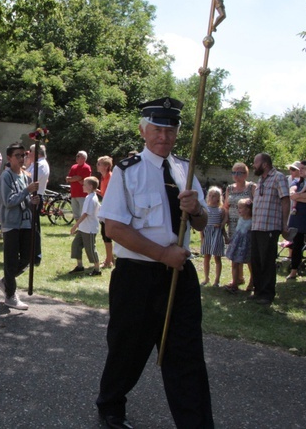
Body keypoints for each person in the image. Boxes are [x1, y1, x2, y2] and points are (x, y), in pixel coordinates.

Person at [95, 96, 213, 429]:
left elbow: (203, 223)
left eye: (170, 129)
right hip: (137, 276)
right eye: (157, 130)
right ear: (143, 130)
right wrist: (162, 253)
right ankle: (111, 406)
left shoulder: (184, 171)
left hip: (179, 275)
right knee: (127, 348)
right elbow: (114, 227)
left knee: (187, 355)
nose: (164, 137)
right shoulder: (126, 171)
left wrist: (197, 210)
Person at [0, 142, 39, 310]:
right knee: (11, 260)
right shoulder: (5, 177)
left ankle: (6, 281)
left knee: (28, 256)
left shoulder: (26, 176)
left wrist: (33, 201)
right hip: (11, 223)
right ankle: (10, 294)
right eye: (18, 156)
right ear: (9, 158)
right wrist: (26, 192)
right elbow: (8, 201)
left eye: (23, 155)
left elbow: (25, 201)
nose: (21, 159)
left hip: (26, 222)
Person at [249, 153, 290, 305]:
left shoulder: (279, 177)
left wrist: (284, 224)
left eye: (255, 162)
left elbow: (285, 200)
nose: (254, 165)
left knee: (267, 261)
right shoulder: (261, 179)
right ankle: (258, 290)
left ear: (265, 164)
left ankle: (267, 294)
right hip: (257, 226)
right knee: (256, 260)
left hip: (270, 227)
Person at [223, 162, 256, 290]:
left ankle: (253, 281)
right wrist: (224, 222)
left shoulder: (252, 187)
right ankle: (237, 278)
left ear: (246, 174)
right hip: (233, 225)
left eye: (239, 172)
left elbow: (256, 205)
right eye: (233, 172)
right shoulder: (229, 188)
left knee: (248, 253)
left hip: (248, 225)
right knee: (235, 251)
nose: (236, 175)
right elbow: (226, 206)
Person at [68, 176, 101, 276]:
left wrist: (75, 226)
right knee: (76, 245)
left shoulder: (92, 199)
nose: (82, 186)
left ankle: (97, 270)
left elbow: (85, 214)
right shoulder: (88, 197)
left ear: (90, 186)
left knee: (90, 249)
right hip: (83, 228)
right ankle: (80, 266)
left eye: (85, 184)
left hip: (89, 229)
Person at [225, 198, 253, 293]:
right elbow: (238, 231)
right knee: (234, 263)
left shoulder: (252, 221)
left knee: (250, 263)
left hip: (247, 246)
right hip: (237, 245)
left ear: (248, 209)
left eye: (240, 208)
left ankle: (252, 282)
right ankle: (234, 283)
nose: (238, 210)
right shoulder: (240, 219)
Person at [200, 186, 226, 287]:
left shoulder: (221, 211)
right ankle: (206, 278)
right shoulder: (205, 209)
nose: (211, 197)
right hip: (207, 235)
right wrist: (202, 238)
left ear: (219, 198)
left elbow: (223, 225)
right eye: (210, 195)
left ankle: (217, 280)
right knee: (206, 257)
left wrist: (225, 235)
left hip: (217, 235)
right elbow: (202, 225)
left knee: (217, 258)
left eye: (214, 196)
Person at [96, 156, 114, 268]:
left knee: (107, 234)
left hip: (111, 209)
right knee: (105, 234)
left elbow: (112, 195)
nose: (97, 165)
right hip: (106, 208)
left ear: (106, 166)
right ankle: (110, 258)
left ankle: (109, 261)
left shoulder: (111, 177)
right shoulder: (103, 178)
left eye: (99, 164)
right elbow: (104, 193)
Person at [66, 150, 92, 218]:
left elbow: (78, 178)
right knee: (76, 215)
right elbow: (68, 178)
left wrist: (75, 178)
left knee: (83, 214)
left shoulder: (86, 167)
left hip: (83, 194)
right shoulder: (73, 167)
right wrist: (76, 179)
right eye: (76, 156)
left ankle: (84, 228)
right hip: (74, 194)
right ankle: (79, 227)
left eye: (78, 156)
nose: (76, 157)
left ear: (83, 158)